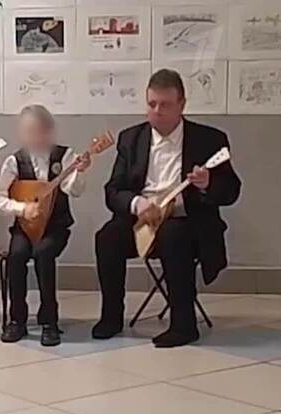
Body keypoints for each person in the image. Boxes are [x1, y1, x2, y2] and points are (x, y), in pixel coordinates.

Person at [93, 69, 241, 348]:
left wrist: (208, 183)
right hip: (143, 219)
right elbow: (113, 191)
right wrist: (137, 204)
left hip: (187, 219)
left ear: (181, 105)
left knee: (174, 235)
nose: (157, 111)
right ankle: (111, 318)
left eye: (165, 104)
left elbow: (231, 191)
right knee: (107, 237)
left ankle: (184, 325)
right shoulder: (131, 139)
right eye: (152, 104)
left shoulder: (210, 140)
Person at [0, 105, 91, 347]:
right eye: (28, 132)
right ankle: (17, 320)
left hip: (56, 227)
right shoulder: (15, 161)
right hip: (24, 227)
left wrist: (79, 172)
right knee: (16, 255)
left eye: (39, 131)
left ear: (49, 131)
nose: (34, 137)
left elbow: (73, 190)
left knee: (44, 254)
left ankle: (49, 321)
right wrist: (22, 209)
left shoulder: (65, 156)